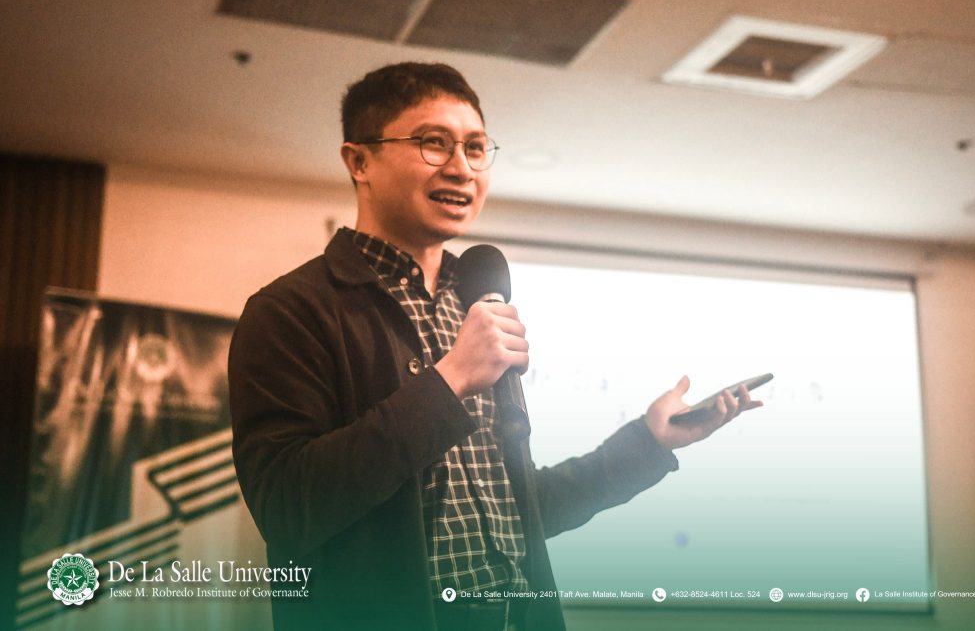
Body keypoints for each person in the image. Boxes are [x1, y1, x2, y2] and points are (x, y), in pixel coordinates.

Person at [228, 62, 762, 631]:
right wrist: (450, 379)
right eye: (434, 143)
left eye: (476, 148)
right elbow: (287, 509)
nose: (462, 168)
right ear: (360, 161)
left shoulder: (474, 300)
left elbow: (519, 510)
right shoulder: (291, 310)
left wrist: (648, 443)